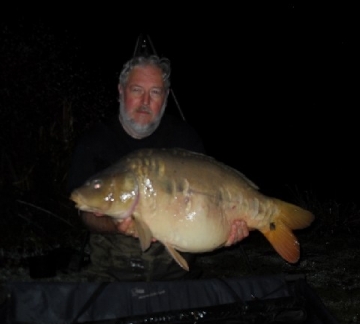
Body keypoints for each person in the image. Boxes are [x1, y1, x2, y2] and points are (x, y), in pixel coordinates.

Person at [67, 54, 249, 282]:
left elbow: (209, 207)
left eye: (155, 92)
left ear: (165, 98)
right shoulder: (94, 141)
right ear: (121, 91)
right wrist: (114, 225)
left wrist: (226, 232)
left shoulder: (185, 138)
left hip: (175, 267)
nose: (145, 101)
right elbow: (84, 213)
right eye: (136, 90)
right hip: (110, 269)